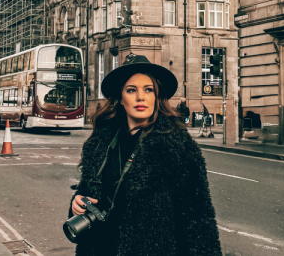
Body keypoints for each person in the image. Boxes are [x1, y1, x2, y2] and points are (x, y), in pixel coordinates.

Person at [68, 54, 222, 256]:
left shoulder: (178, 145)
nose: (140, 97)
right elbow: (86, 191)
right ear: (121, 98)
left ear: (157, 98)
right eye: (131, 90)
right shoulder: (100, 142)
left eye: (148, 90)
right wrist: (76, 203)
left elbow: (199, 219)